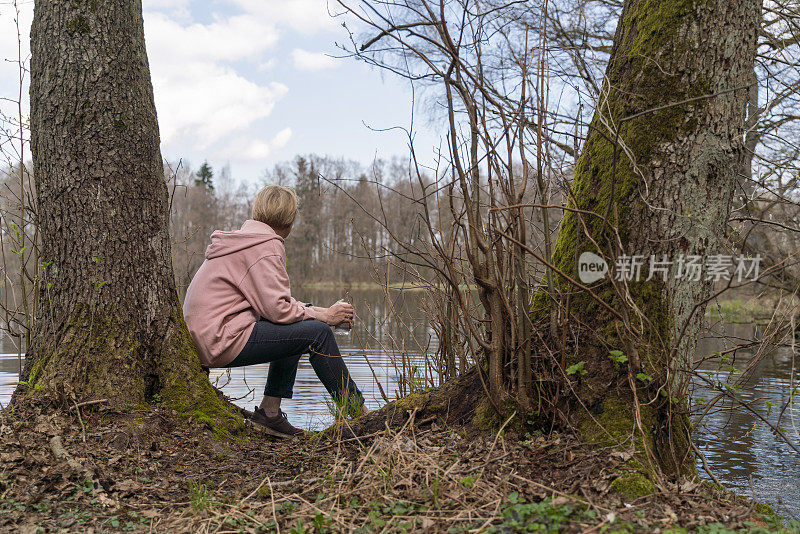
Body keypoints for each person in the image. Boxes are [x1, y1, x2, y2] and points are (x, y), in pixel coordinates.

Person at [182, 184, 366, 437]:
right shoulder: (265, 246)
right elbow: (279, 310)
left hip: (206, 336)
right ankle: (360, 414)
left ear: (257, 212)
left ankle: (269, 413)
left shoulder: (243, 240)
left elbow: (276, 307)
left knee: (298, 329)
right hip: (220, 339)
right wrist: (324, 316)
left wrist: (319, 311)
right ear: (290, 222)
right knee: (318, 333)